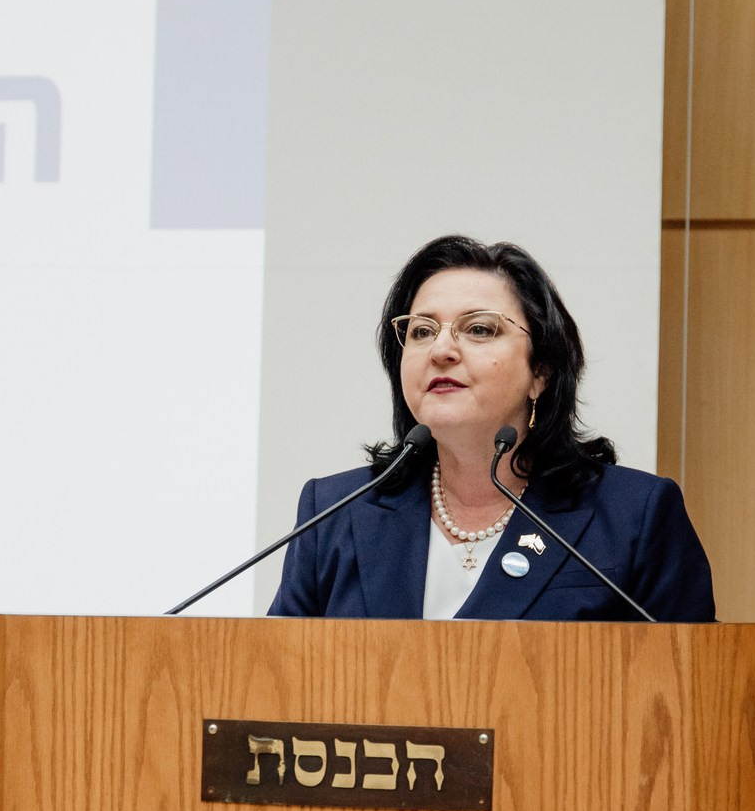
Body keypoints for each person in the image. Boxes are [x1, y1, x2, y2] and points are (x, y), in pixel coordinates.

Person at [269, 235, 716, 622]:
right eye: (422, 331)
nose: (441, 349)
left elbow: (694, 689)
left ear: (540, 371)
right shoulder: (333, 514)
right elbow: (275, 686)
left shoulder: (634, 516)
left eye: (478, 329)